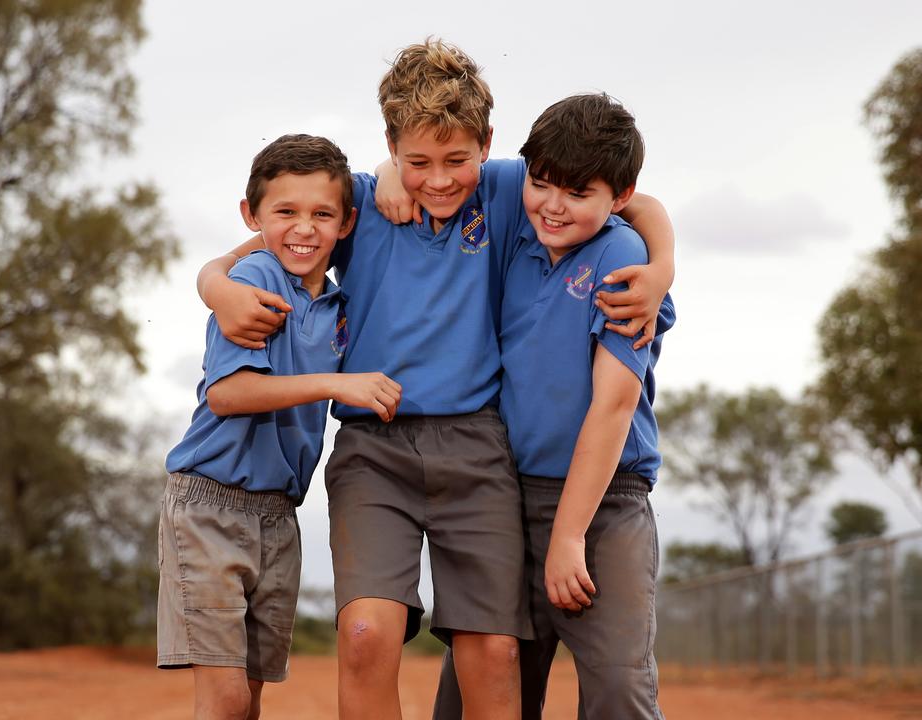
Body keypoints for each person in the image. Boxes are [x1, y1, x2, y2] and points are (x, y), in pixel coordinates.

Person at [196, 40, 675, 720]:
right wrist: (215, 286)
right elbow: (262, 242)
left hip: (480, 450)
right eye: (417, 162)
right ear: (390, 146)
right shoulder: (357, 200)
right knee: (365, 635)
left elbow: (633, 199)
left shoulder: (514, 190)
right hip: (374, 450)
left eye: (457, 161)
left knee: (494, 651)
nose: (440, 179)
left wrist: (663, 268)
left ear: (487, 145)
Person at [434, 93, 675, 720]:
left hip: (603, 504)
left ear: (615, 196)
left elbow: (614, 406)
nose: (553, 205)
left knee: (619, 689)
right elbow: (433, 166)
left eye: (576, 194)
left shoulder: (621, 257)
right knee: (477, 687)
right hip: (505, 496)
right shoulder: (518, 223)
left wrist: (569, 536)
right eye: (541, 185)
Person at [157, 134, 401, 720]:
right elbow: (228, 393)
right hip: (210, 504)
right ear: (253, 216)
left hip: (278, 515)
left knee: (251, 699)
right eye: (285, 212)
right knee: (225, 698)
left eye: (322, 214)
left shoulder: (338, 306)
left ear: (346, 224)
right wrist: (337, 384)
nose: (304, 228)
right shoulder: (256, 281)